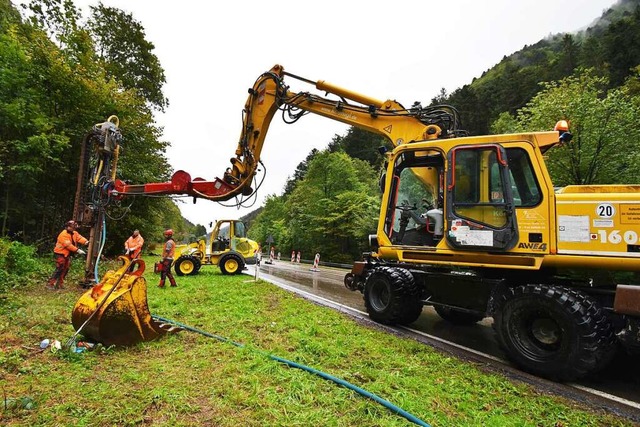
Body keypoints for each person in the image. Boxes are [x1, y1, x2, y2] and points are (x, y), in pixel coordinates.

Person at [47, 220, 89, 290]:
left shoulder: (74, 233)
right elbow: (68, 245)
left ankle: (60, 284)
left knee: (66, 269)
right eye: (72, 227)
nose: (74, 228)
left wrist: (86, 242)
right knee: (60, 268)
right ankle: (50, 284)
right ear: (68, 227)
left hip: (67, 254)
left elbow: (79, 238)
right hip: (60, 253)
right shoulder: (63, 234)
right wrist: (77, 250)